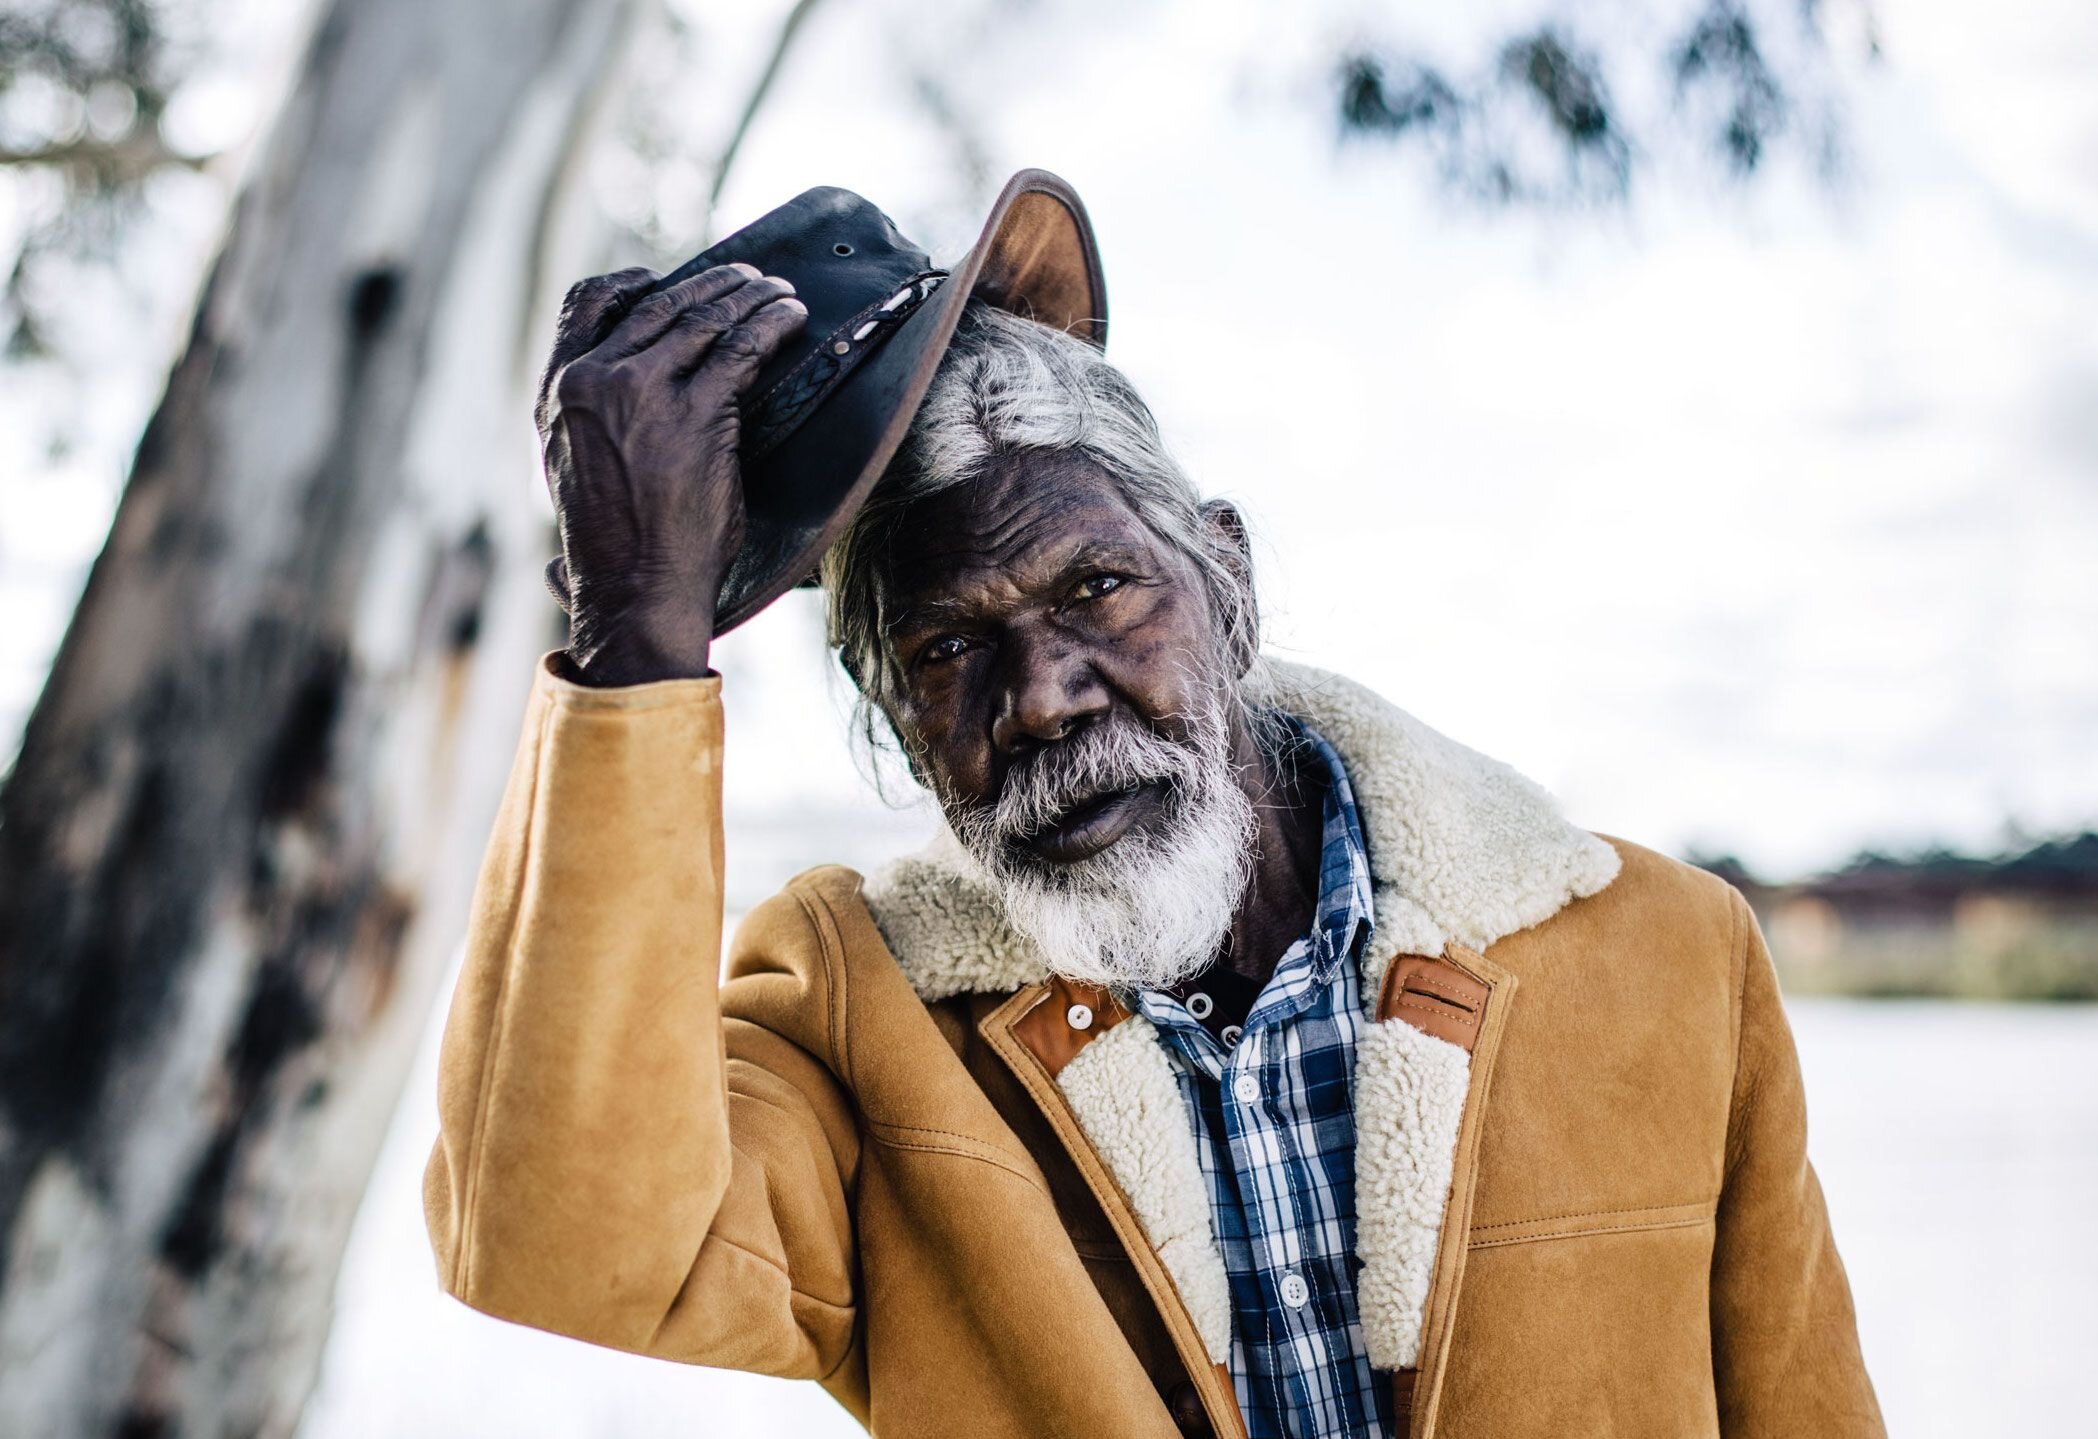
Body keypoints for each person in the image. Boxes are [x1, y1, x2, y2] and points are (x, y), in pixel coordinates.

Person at [423, 171, 1884, 1439]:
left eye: (1096, 587)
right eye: (944, 649)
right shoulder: (852, 1012)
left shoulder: (1664, 954)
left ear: (1227, 583)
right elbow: (556, 1245)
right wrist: (632, 629)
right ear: (895, 720)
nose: (1043, 692)